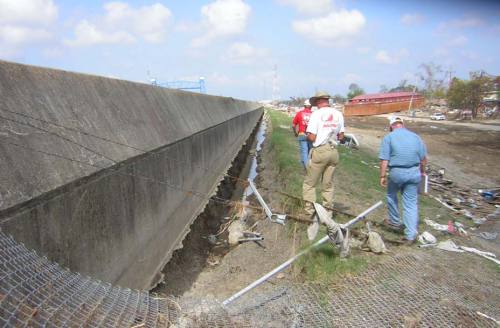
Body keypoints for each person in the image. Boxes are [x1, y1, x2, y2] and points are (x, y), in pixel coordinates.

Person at [379, 116, 427, 245]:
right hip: (413, 172)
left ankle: (395, 221)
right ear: (403, 125)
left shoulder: (389, 137)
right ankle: (410, 235)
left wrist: (382, 176)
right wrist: (422, 172)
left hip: (397, 172)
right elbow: (423, 159)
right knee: (410, 204)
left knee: (391, 195)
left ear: (391, 127)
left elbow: (385, 159)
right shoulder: (416, 137)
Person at [303, 91, 345, 217]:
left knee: (309, 183)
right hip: (333, 151)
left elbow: (312, 137)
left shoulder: (316, 114)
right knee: (328, 184)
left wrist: (307, 136)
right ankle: (328, 212)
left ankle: (309, 211)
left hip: (320, 150)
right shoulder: (338, 114)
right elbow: (341, 136)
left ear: (318, 101)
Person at [292, 99, 313, 168]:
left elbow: (293, 125)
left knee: (304, 151)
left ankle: (306, 168)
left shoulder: (299, 113)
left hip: (301, 134)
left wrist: (295, 133)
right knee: (309, 152)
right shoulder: (314, 114)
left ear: (304, 106)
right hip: (311, 135)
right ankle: (307, 165)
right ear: (311, 106)